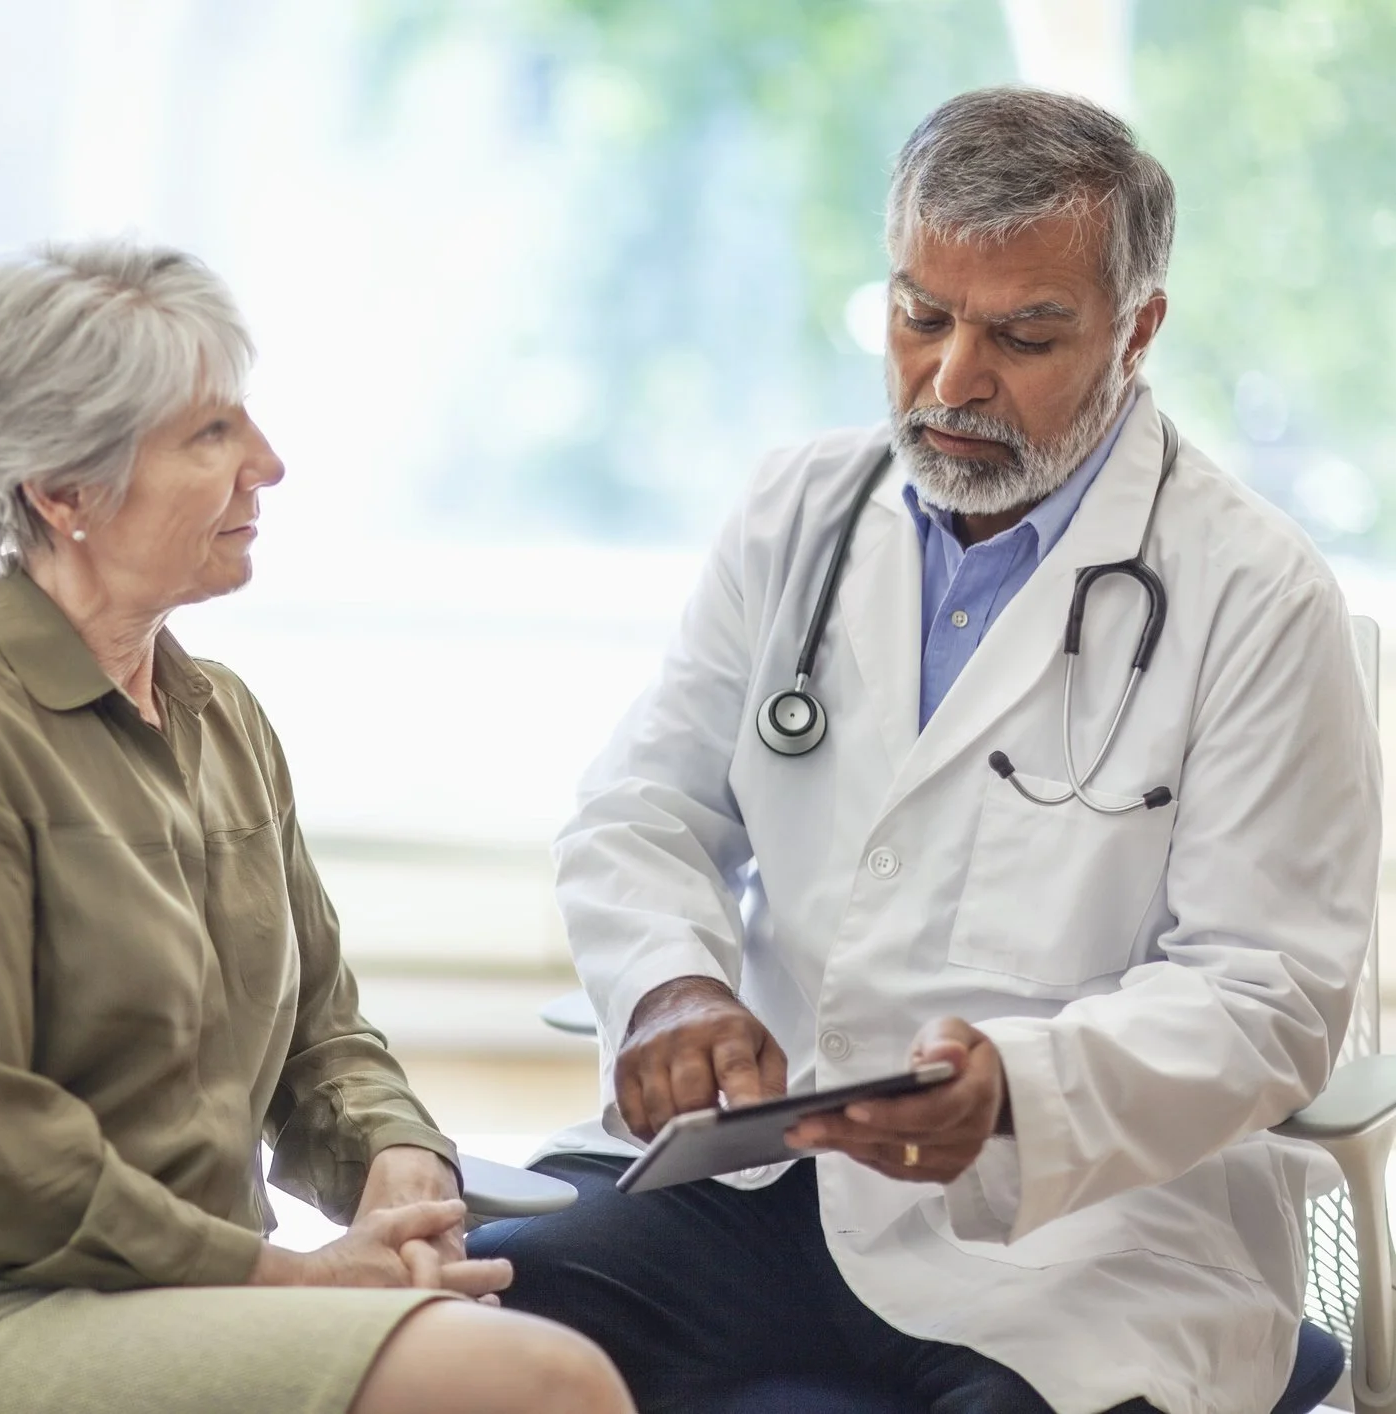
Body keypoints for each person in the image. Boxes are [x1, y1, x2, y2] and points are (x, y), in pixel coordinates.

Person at [468, 87, 1380, 1414]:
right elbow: (643, 806)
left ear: (1138, 329)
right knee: (460, 1329)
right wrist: (669, 987)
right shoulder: (798, 512)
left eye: (1024, 333)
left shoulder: (1255, 594)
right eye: (920, 315)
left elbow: (1266, 991)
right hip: (768, 1182)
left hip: (1081, 1236)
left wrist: (1020, 1090)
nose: (952, 379)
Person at [0, 240, 632, 1414]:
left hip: (189, 1291)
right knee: (539, 1381)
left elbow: (325, 1037)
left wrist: (400, 1171)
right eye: (210, 435)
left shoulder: (221, 717)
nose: (268, 465)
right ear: (64, 492)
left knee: (565, 1313)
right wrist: (290, 1276)